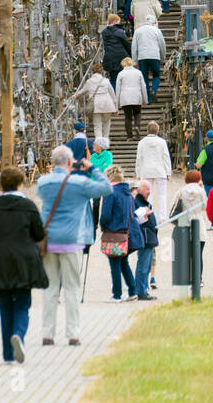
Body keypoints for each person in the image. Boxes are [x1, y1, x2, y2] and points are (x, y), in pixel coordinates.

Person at [36, 145, 112, 346]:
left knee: (50, 288)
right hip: (71, 240)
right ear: (71, 162)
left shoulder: (43, 182)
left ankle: (47, 333)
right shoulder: (80, 183)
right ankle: (73, 334)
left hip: (48, 240)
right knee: (72, 288)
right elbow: (107, 187)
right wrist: (91, 169)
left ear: (53, 162)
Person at [0, 167, 48, 364]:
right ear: (20, 183)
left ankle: (8, 354)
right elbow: (39, 234)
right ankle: (18, 334)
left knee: (5, 307)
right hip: (24, 259)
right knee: (23, 304)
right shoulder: (28, 206)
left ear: (1, 184)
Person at [98, 166, 138, 302]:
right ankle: (132, 290)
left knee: (114, 264)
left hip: (113, 232)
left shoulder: (110, 192)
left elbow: (105, 215)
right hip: (125, 232)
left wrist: (102, 226)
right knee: (123, 262)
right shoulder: (127, 193)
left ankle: (117, 294)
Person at [174, 169, 207, 283]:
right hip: (198, 222)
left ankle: (187, 276)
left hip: (184, 223)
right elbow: (205, 207)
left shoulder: (180, 192)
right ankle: (198, 278)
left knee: (186, 253)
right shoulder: (201, 191)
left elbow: (174, 207)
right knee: (198, 254)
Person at [136, 121, 173, 222]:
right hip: (160, 170)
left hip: (146, 170)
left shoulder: (142, 142)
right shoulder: (162, 142)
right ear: (157, 130)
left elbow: (139, 158)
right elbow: (166, 157)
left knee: (148, 194)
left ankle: (149, 215)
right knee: (162, 194)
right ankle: (162, 216)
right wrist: (168, 172)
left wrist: (138, 173)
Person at [76, 63, 118, 144]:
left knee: (97, 125)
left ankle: (99, 143)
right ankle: (106, 142)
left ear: (92, 71)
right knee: (107, 123)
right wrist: (116, 108)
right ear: (101, 71)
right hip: (107, 103)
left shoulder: (89, 81)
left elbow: (83, 91)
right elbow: (112, 94)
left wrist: (75, 95)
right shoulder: (106, 81)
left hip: (96, 104)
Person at [132, 183, 159, 300]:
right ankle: (140, 291)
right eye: (147, 189)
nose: (149, 191)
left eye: (150, 189)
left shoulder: (145, 202)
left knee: (147, 265)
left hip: (150, 236)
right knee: (143, 265)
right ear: (139, 190)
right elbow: (135, 218)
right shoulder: (138, 202)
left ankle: (143, 289)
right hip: (146, 237)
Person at [132, 21, 166, 102]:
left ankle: (148, 98)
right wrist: (162, 58)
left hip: (142, 57)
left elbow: (134, 47)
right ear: (152, 23)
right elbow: (162, 45)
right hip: (154, 56)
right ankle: (154, 90)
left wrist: (135, 61)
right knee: (156, 75)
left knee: (144, 78)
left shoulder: (137, 31)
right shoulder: (157, 30)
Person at [115, 57, 147, 139]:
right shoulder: (138, 72)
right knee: (137, 113)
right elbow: (143, 86)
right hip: (137, 96)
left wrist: (117, 103)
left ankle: (129, 136)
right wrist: (145, 99)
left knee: (128, 117)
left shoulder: (121, 74)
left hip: (125, 97)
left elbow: (118, 89)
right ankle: (137, 126)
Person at [101, 13, 131, 88]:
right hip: (121, 58)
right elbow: (126, 44)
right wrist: (130, 55)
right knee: (124, 79)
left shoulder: (104, 32)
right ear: (114, 21)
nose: (119, 23)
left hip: (109, 58)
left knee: (113, 79)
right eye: (118, 21)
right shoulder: (119, 32)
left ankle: (114, 97)